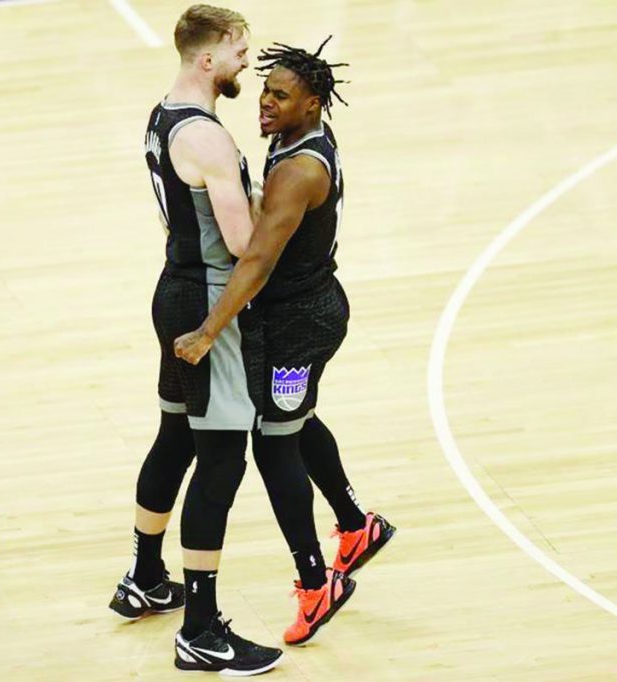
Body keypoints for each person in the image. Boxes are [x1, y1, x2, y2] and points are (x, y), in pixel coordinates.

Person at [174, 37, 396, 646]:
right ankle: (356, 526)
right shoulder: (291, 141)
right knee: (292, 425)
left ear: (314, 104)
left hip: (302, 321)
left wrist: (207, 330)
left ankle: (315, 583)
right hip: (289, 315)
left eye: (281, 96)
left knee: (274, 446)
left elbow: (259, 260)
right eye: (266, 91)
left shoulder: (300, 169)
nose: (265, 104)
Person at [107, 5, 282, 676]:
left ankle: (145, 576)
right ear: (208, 59)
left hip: (172, 287)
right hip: (209, 301)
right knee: (221, 459)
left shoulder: (161, 116)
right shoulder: (208, 138)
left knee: (175, 435)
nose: (247, 62)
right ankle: (201, 629)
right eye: (241, 51)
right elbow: (242, 245)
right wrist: (284, 206)